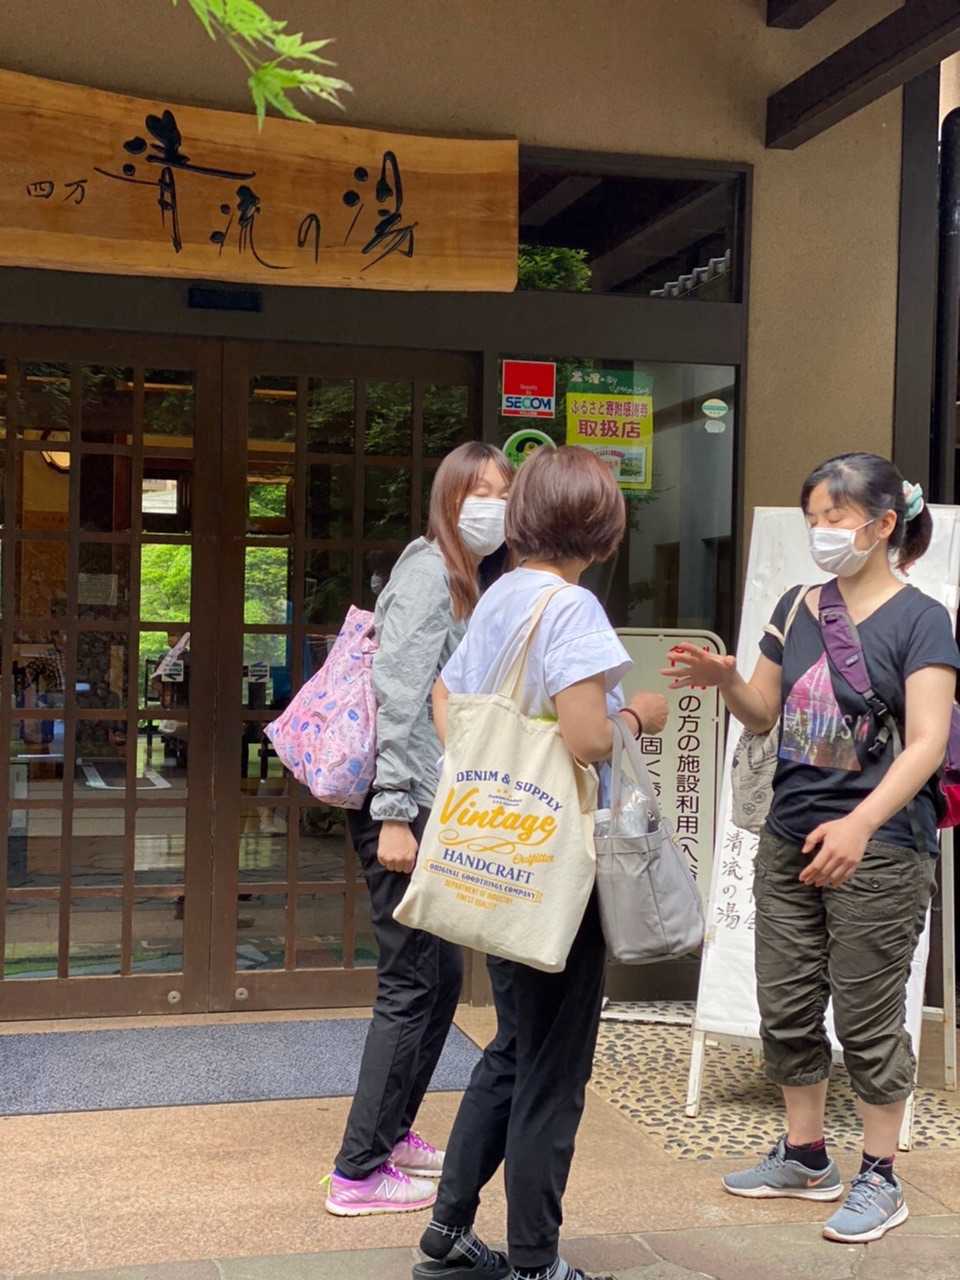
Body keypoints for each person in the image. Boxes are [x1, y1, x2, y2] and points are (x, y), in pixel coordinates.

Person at [664, 453, 960, 1245]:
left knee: (867, 1017)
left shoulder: (922, 620)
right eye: (813, 519)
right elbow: (764, 712)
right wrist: (726, 680)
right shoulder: (796, 606)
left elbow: (927, 742)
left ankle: (881, 1175)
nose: (821, 532)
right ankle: (804, 1156)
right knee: (787, 1004)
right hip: (789, 836)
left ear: (883, 524)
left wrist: (859, 825)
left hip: (881, 846)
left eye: (835, 517)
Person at [415, 445, 668, 1280]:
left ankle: (448, 1234)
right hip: (558, 865)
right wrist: (641, 715)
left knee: (514, 1046)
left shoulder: (501, 596)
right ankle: (535, 1262)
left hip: (499, 854)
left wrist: (488, 768)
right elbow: (588, 737)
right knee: (553, 1068)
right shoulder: (571, 606)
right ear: (600, 527)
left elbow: (446, 696)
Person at [325, 441, 513, 1218]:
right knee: (411, 982)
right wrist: (396, 813)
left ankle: (393, 1132)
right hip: (401, 807)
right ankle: (357, 1172)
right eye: (479, 491)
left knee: (437, 980)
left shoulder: (462, 576)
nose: (493, 506)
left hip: (431, 802)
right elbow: (398, 697)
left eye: (503, 492)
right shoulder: (429, 574)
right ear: (449, 499)